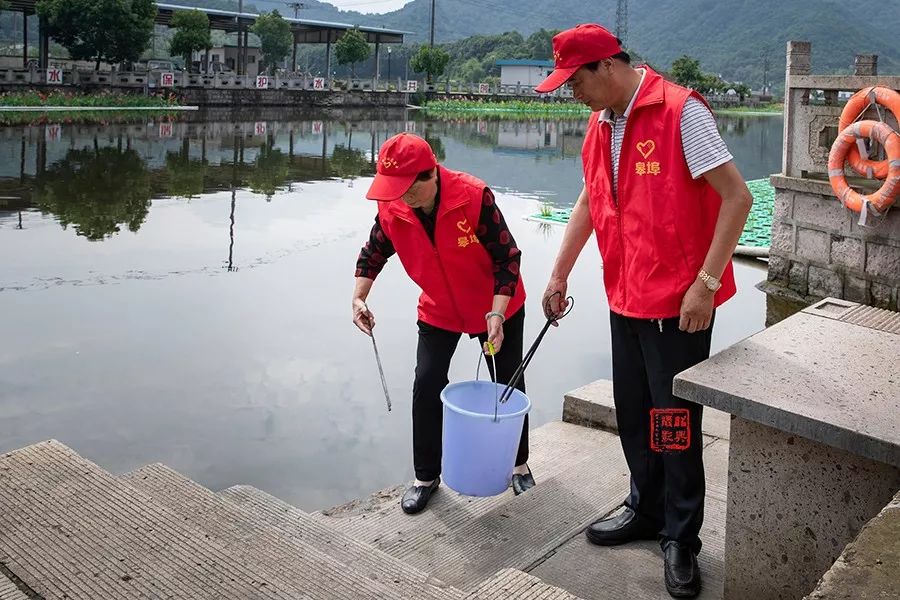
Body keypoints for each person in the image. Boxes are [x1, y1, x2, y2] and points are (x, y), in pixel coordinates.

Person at [534, 24, 752, 599]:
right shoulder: (600, 121)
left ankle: (681, 538)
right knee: (635, 413)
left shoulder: (682, 111)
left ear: (607, 66)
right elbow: (590, 197)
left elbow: (738, 197)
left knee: (674, 426)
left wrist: (705, 285)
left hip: (678, 308)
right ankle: (645, 507)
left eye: (574, 80)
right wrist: (559, 272)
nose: (569, 91)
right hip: (623, 297)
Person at [352, 132, 535, 515]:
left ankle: (518, 465)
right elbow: (373, 252)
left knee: (508, 384)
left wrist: (498, 313)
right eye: (392, 188)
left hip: (496, 308)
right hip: (439, 310)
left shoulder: (473, 197)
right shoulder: (392, 208)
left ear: (429, 175)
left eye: (407, 188)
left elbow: (507, 258)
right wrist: (359, 297)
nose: (401, 196)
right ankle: (426, 477)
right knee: (427, 382)